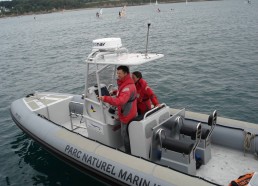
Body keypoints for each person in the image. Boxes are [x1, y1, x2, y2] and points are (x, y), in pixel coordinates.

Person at [98, 66, 137, 154]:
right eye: (117, 73)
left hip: (127, 115)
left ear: (125, 73)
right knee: (127, 133)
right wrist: (115, 92)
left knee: (124, 135)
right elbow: (123, 93)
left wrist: (105, 98)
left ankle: (128, 153)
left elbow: (120, 101)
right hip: (130, 112)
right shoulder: (127, 83)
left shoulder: (127, 87)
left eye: (119, 73)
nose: (117, 75)